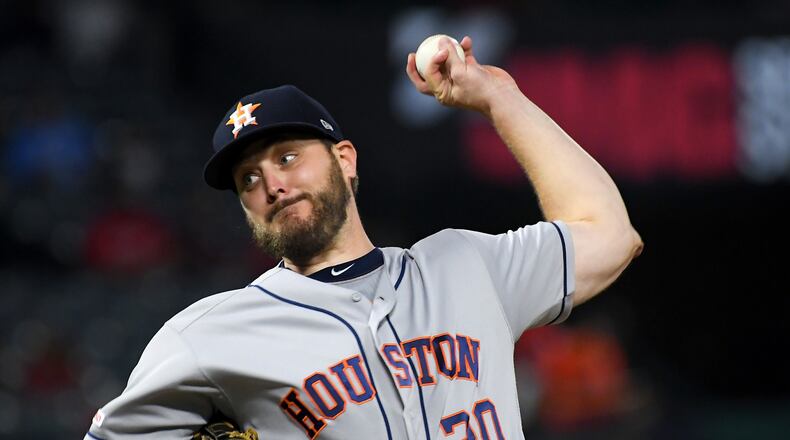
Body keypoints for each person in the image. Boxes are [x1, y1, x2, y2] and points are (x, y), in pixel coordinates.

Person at [84, 36, 642, 439]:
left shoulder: (466, 266)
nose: (272, 184)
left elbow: (611, 236)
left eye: (287, 157)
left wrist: (500, 99)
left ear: (345, 161)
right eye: (248, 179)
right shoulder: (208, 337)